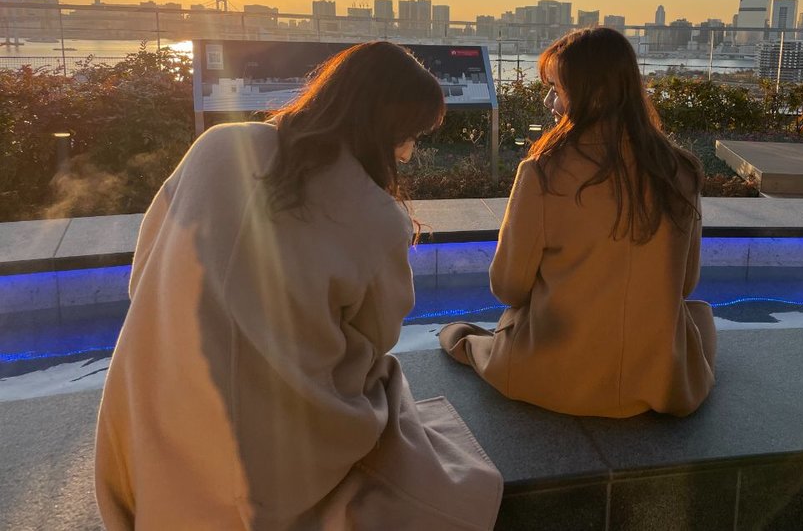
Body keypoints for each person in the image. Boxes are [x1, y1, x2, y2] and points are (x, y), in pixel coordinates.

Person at [95, 42, 502, 530]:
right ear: (386, 131)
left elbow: (146, 272)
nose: (408, 152)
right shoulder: (377, 215)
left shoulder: (217, 147)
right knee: (390, 389)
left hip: (153, 426)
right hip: (275, 463)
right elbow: (378, 336)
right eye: (409, 136)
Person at [439, 27, 716, 418]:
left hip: (558, 377)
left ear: (592, 93)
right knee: (698, 318)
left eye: (557, 88)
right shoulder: (682, 171)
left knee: (463, 336)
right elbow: (685, 284)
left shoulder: (543, 173)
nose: (550, 102)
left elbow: (508, 287)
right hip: (659, 378)